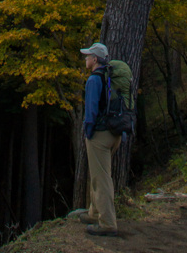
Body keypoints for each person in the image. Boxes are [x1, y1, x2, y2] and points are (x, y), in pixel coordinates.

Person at [78, 41, 121, 237]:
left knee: (101, 178)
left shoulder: (94, 80)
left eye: (88, 56)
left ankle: (107, 223)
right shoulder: (110, 77)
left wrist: (88, 132)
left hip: (100, 135)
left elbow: (91, 111)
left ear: (95, 59)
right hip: (114, 133)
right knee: (99, 173)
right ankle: (94, 213)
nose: (85, 58)